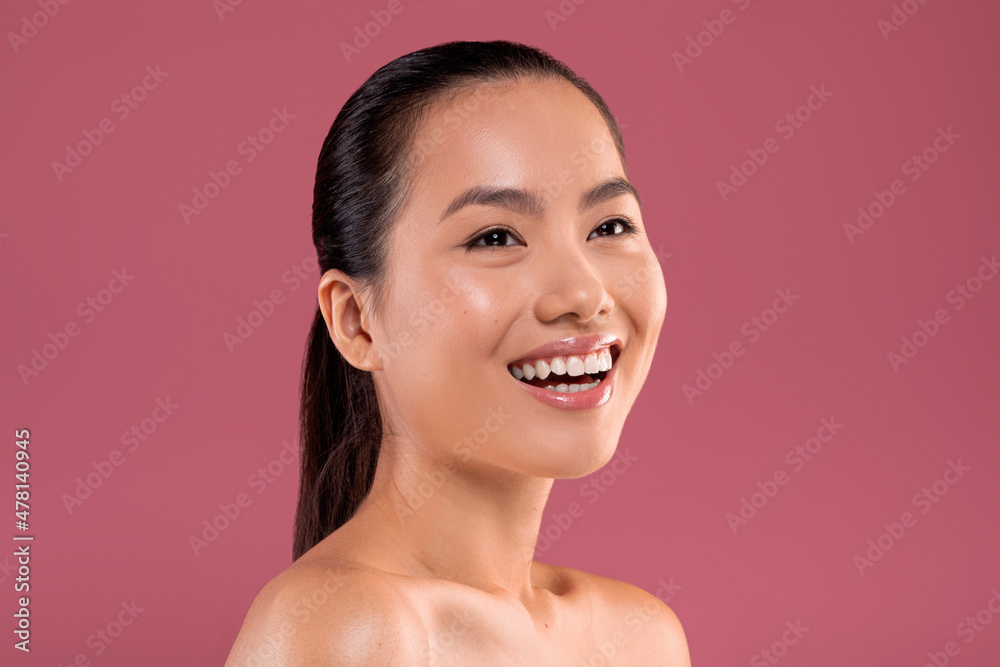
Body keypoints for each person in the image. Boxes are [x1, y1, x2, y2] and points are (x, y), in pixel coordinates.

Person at [226, 40, 688, 665]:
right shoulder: (348, 626)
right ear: (358, 321)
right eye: (495, 237)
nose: (583, 295)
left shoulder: (640, 637)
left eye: (610, 226)